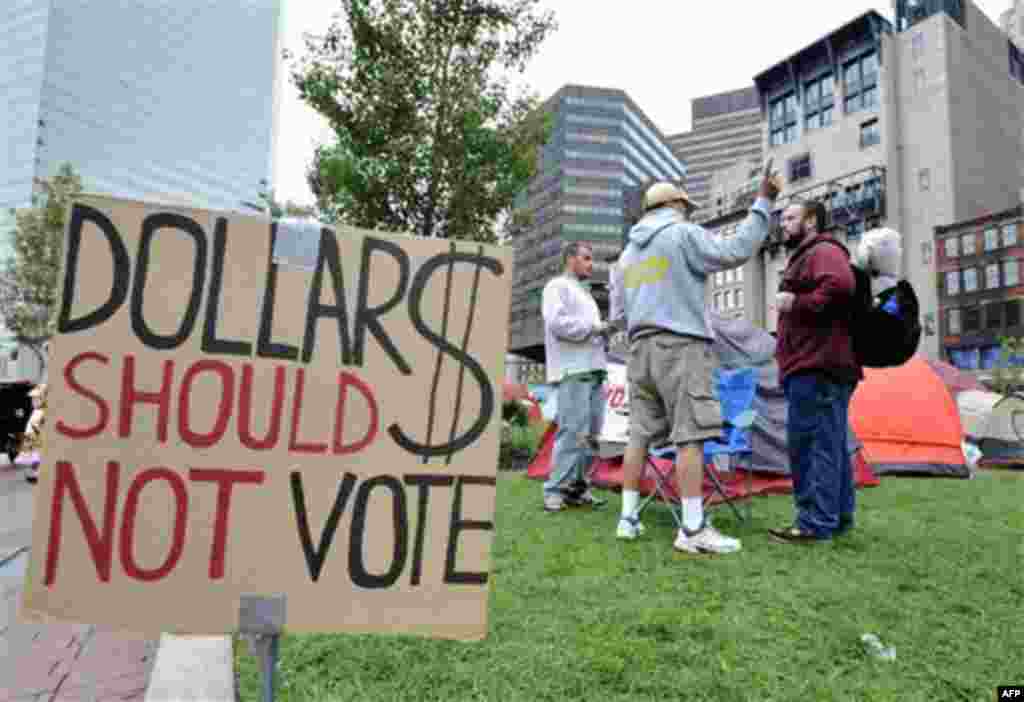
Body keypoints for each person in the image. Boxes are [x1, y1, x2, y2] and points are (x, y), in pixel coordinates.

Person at [610, 175, 778, 553]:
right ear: (677, 205)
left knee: (638, 434)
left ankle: (628, 519)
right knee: (691, 433)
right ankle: (692, 529)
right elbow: (735, 249)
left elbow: (619, 313)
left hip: (638, 350)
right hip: (681, 347)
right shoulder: (682, 234)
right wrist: (762, 203)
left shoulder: (627, 256)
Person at [770, 200, 863, 543]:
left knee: (810, 445)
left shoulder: (821, 250)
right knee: (829, 444)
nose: (784, 225)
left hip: (817, 366)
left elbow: (840, 285)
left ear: (811, 221)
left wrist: (797, 303)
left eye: (791, 218)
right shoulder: (812, 253)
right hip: (820, 365)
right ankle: (834, 518)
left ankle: (813, 523)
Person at [541, 242, 610, 512]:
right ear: (570, 258)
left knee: (592, 435)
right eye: (586, 258)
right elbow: (557, 323)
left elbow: (587, 330)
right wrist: (595, 329)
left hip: (594, 369)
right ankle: (554, 490)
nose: (591, 264)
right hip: (573, 369)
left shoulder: (585, 295)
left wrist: (603, 331)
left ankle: (578, 488)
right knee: (572, 431)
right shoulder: (556, 287)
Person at [22, 383, 47, 484]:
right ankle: (36, 474)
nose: (33, 401)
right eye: (32, 399)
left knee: (39, 458)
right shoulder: (36, 411)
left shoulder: (43, 412)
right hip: (32, 439)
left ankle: (39, 476)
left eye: (36, 399)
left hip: (38, 439)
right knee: (34, 458)